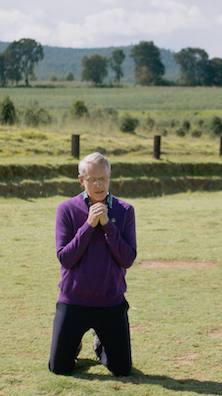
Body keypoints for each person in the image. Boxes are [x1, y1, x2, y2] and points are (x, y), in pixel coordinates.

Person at [48, 152, 137, 377]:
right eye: (93, 179)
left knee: (121, 370)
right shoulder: (66, 209)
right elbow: (65, 258)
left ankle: (100, 343)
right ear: (81, 180)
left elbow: (127, 259)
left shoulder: (125, 210)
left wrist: (107, 225)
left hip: (111, 301)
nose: (99, 185)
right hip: (73, 300)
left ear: (110, 177)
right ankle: (74, 343)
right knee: (59, 368)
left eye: (104, 178)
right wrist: (88, 225)